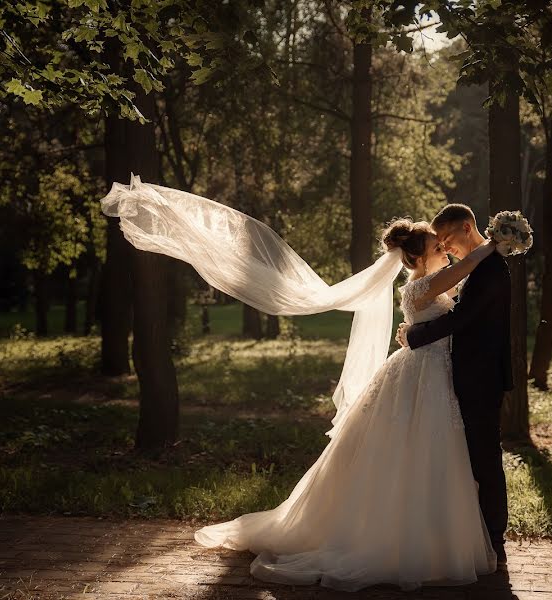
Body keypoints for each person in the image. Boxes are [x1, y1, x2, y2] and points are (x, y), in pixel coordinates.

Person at [194, 217, 500, 591]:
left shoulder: (428, 284)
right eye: (438, 248)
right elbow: (467, 268)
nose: (445, 252)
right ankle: (398, 542)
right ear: (418, 260)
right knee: (412, 451)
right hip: (422, 374)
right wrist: (493, 244)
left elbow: (458, 307)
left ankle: (428, 539)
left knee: (428, 454)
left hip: (432, 372)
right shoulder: (423, 285)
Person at [396, 204, 514, 565]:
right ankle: (463, 532)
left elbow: (462, 317)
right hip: (454, 375)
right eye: (437, 245)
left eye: (446, 239)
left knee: (483, 459)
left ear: (466, 228)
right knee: (460, 459)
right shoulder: (475, 269)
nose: (445, 248)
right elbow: (457, 313)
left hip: (479, 378)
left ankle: (493, 536)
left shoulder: (488, 269)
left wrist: (414, 334)